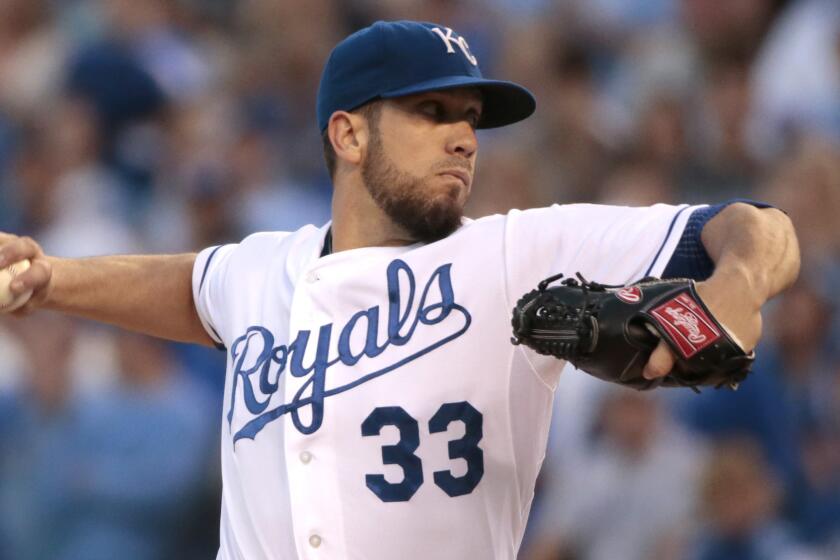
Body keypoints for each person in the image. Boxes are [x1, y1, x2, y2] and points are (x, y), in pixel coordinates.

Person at [0, 20, 800, 560]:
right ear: (348, 133)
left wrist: (733, 285)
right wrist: (51, 282)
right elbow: (187, 287)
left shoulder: (519, 252)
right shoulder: (259, 270)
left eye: (470, 117)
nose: (463, 135)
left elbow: (759, 227)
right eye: (431, 110)